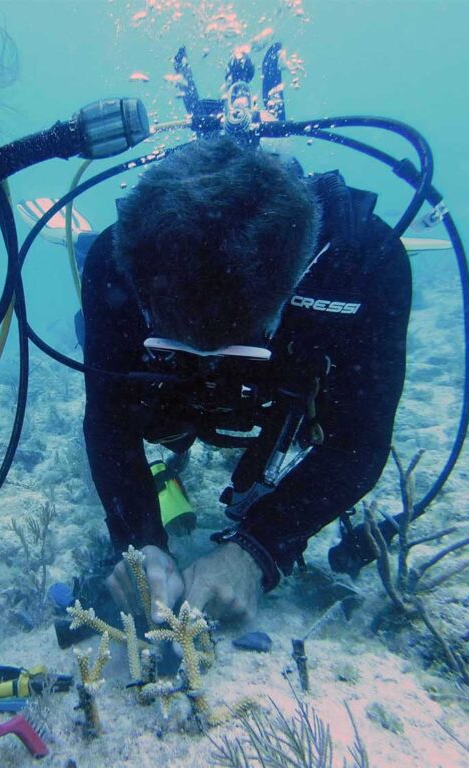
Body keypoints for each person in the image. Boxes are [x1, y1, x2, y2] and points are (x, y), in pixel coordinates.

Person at [79, 135, 410, 624]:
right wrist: (139, 542)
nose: (212, 360)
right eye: (182, 345)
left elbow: (360, 443)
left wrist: (256, 551)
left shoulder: (365, 263)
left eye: (233, 343)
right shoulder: (116, 259)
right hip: (168, 398)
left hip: (286, 387)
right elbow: (107, 421)